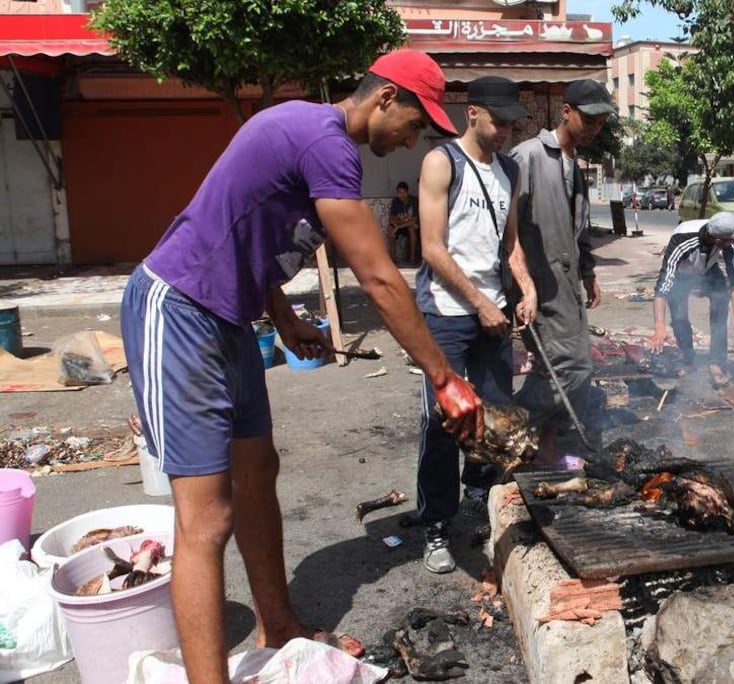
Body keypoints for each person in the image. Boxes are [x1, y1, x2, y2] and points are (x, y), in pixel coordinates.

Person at [119, 49, 483, 684]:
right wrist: (444, 377)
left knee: (259, 472)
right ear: (387, 97)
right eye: (416, 124)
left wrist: (283, 317)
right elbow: (378, 277)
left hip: (229, 317)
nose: (412, 140)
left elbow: (246, 230)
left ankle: (278, 624)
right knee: (207, 518)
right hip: (176, 308)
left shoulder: (317, 142)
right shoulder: (323, 140)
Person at [413, 76, 538, 573]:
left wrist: (524, 287)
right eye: (499, 120)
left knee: (495, 417)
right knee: (445, 420)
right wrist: (480, 302)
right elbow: (431, 248)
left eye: (512, 122)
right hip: (445, 312)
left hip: (492, 312)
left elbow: (511, 244)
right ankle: (436, 525)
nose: (506, 130)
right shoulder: (441, 162)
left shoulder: (509, 170)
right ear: (473, 114)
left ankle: (480, 501)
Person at [511, 79, 612, 464]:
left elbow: (580, 231)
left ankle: (544, 446)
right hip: (539, 284)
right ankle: (509, 421)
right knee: (573, 366)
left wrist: (588, 273)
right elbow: (507, 229)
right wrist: (519, 286)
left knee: (560, 367)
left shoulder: (577, 168)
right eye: (589, 120)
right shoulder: (529, 156)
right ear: (566, 112)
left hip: (567, 285)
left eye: (601, 123)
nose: (594, 129)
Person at [646, 211, 734, 387]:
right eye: (731, 239)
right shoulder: (682, 240)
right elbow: (663, 285)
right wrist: (659, 327)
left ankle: (716, 363)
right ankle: (688, 360)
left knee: (720, 305)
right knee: (679, 318)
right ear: (718, 240)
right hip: (682, 273)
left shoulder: (731, 243)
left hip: (709, 269)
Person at [388, 180, 420, 265]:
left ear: (407, 192)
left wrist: (399, 226)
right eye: (399, 192)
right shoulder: (395, 201)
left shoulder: (413, 201)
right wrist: (397, 224)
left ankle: (412, 258)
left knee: (412, 229)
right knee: (390, 229)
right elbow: (391, 219)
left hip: (408, 226)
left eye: (404, 192)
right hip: (399, 225)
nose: (402, 195)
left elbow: (414, 220)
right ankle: (393, 258)